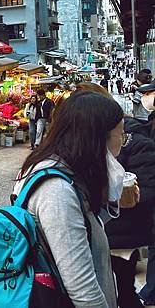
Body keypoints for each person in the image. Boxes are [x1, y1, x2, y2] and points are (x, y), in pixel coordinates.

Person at [13, 91, 123, 307]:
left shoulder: (70, 174)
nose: (123, 141)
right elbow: (82, 289)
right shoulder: (57, 191)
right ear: (97, 138)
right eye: (121, 134)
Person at [106, 81, 155, 306]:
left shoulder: (138, 144)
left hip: (127, 233)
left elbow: (148, 188)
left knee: (124, 288)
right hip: (113, 233)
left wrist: (130, 195)